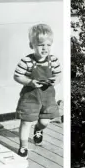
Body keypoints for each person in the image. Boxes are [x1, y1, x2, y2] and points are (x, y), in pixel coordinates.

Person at [13, 24, 61, 157]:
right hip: (30, 96)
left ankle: (38, 129)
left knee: (45, 121)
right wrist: (30, 82)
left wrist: (55, 81)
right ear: (31, 45)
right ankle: (23, 146)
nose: (45, 48)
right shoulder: (26, 61)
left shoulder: (54, 61)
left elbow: (58, 76)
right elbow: (17, 76)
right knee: (26, 121)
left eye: (48, 45)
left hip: (48, 97)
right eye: (40, 45)